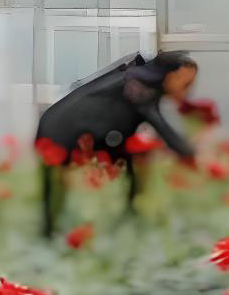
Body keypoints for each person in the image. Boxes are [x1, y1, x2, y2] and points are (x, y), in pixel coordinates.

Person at [35, 49, 199, 237]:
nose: (187, 92)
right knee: (55, 188)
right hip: (61, 131)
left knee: (129, 166)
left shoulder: (135, 81)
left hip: (87, 132)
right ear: (173, 75)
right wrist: (192, 154)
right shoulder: (139, 87)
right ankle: (50, 232)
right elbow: (162, 127)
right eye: (186, 84)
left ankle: (129, 219)